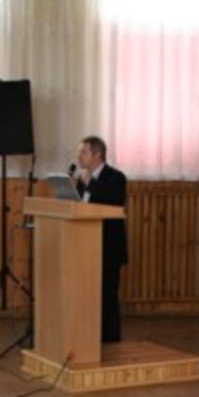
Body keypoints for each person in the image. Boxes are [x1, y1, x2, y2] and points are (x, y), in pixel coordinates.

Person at [73, 135, 128, 343]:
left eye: (83, 152)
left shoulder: (116, 177)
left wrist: (91, 185)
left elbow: (111, 205)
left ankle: (110, 338)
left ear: (97, 155)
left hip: (109, 246)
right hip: (87, 245)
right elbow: (81, 208)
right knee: (88, 293)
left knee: (107, 293)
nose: (78, 156)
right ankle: (90, 334)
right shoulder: (82, 179)